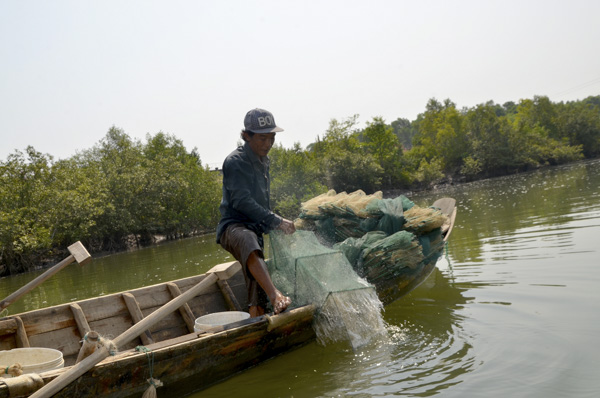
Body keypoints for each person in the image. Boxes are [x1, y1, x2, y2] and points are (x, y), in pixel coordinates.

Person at [216, 108, 295, 317]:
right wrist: (277, 221)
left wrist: (275, 224)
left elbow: (262, 203)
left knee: (255, 277)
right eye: (262, 138)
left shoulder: (263, 161)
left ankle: (256, 313)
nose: (268, 144)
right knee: (248, 240)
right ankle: (276, 296)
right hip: (233, 228)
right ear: (246, 136)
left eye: (272, 138)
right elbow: (242, 202)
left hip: (253, 228)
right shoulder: (236, 162)